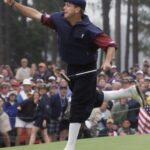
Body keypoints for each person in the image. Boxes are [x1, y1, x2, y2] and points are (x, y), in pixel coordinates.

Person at [3, 0, 144, 150]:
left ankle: (70, 147)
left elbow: (110, 45)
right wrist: (15, 5)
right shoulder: (59, 19)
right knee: (92, 97)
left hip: (87, 69)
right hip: (71, 68)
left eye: (68, 5)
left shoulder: (90, 29)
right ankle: (128, 92)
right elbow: (36, 15)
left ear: (78, 9)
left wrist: (108, 61)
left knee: (76, 104)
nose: (64, 8)